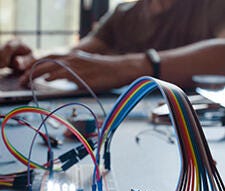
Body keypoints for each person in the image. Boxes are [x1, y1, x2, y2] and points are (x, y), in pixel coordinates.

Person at [19, 0, 225, 91]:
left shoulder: (213, 5)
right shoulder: (122, 15)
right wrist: (29, 59)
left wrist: (128, 68)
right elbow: (76, 55)